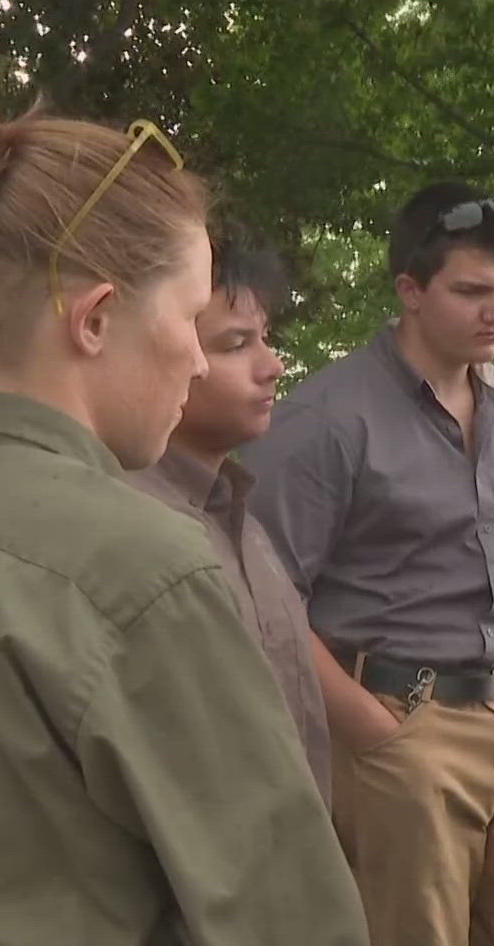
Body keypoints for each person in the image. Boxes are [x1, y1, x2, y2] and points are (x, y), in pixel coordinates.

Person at [0, 72, 367, 946]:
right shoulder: (144, 570)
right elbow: (288, 921)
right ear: (93, 320)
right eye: (189, 318)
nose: (200, 364)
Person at [242, 181, 494, 945]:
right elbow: (262, 597)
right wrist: (378, 734)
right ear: (409, 289)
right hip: (401, 724)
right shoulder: (328, 418)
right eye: (473, 291)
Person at [125, 234, 334, 800]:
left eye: (265, 338)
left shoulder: (241, 517)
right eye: (235, 344)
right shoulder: (131, 532)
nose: (273, 364)